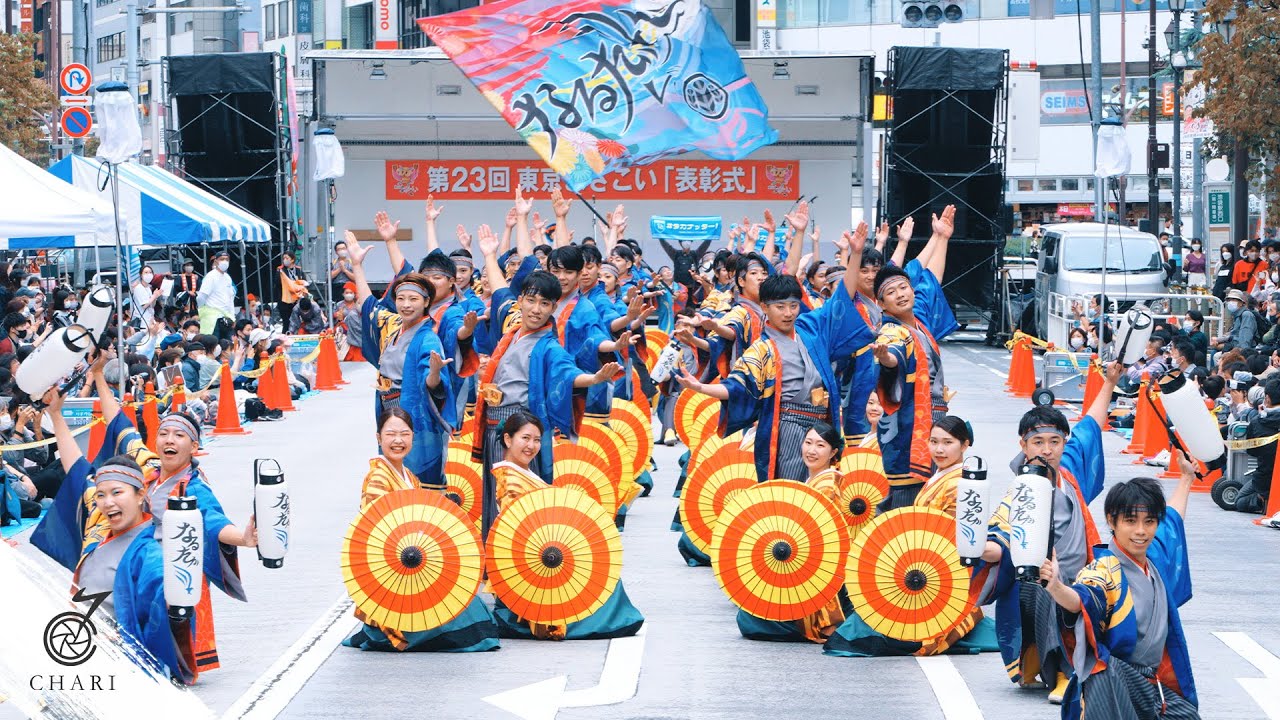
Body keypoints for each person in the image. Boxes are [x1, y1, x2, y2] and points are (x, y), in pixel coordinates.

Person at [34, 377, 256, 679]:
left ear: (194, 446)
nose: (169, 440)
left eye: (179, 435)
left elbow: (215, 525)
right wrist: (97, 377)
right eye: (163, 433)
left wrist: (243, 538)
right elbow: (120, 429)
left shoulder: (192, 489)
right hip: (125, 569)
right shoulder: (143, 469)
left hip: (158, 575)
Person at [676, 220, 874, 483]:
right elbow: (737, 386)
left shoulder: (811, 328)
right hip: (787, 427)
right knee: (791, 489)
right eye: (780, 307)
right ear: (766, 308)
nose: (789, 312)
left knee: (824, 489)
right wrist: (700, 388)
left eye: (793, 305)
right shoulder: (762, 348)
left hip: (823, 424)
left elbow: (841, 301)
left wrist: (856, 253)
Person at [975, 361, 1122, 704]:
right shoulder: (1020, 490)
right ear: (1023, 446)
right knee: (1042, 587)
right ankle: (1060, 671)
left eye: (1055, 441)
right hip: (1041, 578)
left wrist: (1110, 382)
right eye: (1037, 441)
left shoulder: (1070, 469)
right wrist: (984, 548)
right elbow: (1002, 537)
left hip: (1083, 572)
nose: (1046, 449)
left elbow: (1091, 424)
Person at [472, 225, 621, 540]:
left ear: (554, 307)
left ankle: (520, 566)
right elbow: (500, 292)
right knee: (494, 496)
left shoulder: (549, 346)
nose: (536, 309)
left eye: (544, 304)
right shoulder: (511, 328)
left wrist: (594, 376)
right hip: (493, 424)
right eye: (531, 301)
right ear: (522, 301)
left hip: (521, 426)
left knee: (518, 498)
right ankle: (497, 569)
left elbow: (568, 372)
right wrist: (488, 254)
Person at [825, 415, 997, 657]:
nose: (939, 449)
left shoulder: (961, 483)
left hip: (944, 567)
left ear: (965, 445)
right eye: (933, 441)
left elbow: (955, 534)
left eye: (948, 443)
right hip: (924, 558)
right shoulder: (940, 476)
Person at [1041, 464, 1199, 720]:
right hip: (1114, 680)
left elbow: (1173, 520)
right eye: (1130, 521)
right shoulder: (1103, 569)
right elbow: (1081, 598)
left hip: (1150, 683)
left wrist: (1186, 479)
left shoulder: (1155, 556)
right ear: (1111, 520)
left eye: (1149, 522)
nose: (1140, 531)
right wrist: (1056, 586)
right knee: (1103, 667)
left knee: (1188, 716)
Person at [344, 408, 500, 653]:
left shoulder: (409, 476)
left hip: (415, 557)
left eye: (404, 434)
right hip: (392, 568)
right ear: (378, 438)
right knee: (468, 626)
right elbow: (376, 532)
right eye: (391, 434)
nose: (398, 441)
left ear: (412, 438)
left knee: (473, 609)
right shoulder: (377, 480)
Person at [488, 411, 644, 640]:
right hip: (534, 557)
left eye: (537, 440)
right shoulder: (510, 478)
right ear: (508, 439)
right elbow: (519, 527)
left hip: (544, 544)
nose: (531, 445)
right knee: (598, 573)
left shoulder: (523, 472)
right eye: (525, 438)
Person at [346, 232, 463, 490]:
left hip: (413, 411)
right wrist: (357, 266)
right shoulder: (393, 324)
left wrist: (434, 373)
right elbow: (369, 307)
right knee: (391, 475)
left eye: (413, 299)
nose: (406, 305)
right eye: (401, 298)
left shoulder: (427, 338)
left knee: (417, 479)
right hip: (387, 407)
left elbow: (435, 384)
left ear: (426, 303)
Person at [870, 206, 959, 509]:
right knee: (909, 505)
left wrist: (941, 238)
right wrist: (886, 360)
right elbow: (892, 355)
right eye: (891, 292)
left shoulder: (919, 321)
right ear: (882, 305)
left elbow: (931, 282)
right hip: (909, 426)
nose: (901, 294)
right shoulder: (891, 332)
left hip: (935, 422)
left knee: (937, 500)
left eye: (904, 287)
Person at [737, 421, 853, 643]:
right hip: (805, 563)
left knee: (750, 618)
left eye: (820, 445)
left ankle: (815, 624)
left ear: (833, 452)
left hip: (818, 569)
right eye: (808, 443)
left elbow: (817, 535)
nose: (811, 450)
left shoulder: (827, 484)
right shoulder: (815, 479)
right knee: (750, 615)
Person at [197, 250, 236, 339]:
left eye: (227, 259)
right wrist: (202, 310)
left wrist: (233, 317)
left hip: (226, 317)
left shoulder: (227, 277)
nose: (225, 262)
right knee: (213, 345)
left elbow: (230, 299)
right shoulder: (211, 276)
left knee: (227, 346)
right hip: (212, 318)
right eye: (222, 259)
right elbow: (201, 297)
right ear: (216, 261)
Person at [278, 251, 309, 331]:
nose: (285, 260)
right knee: (286, 322)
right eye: (284, 258)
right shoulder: (281, 270)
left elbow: (304, 282)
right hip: (285, 301)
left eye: (287, 258)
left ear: (292, 260)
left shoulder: (298, 270)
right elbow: (277, 283)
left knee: (299, 321)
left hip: (297, 300)